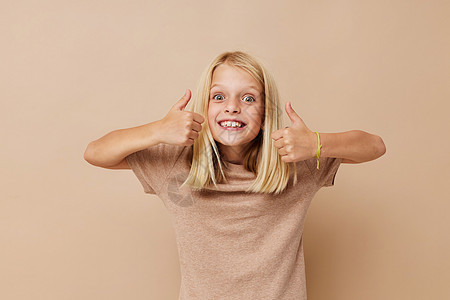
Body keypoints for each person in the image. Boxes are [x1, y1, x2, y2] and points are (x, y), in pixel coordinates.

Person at [84, 50, 386, 299]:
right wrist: (157, 130)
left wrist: (317, 143)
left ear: (266, 112)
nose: (232, 108)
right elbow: (96, 152)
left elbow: (374, 146)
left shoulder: (296, 163)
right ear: (204, 106)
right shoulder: (176, 166)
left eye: (248, 99)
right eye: (219, 97)